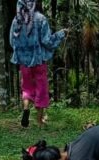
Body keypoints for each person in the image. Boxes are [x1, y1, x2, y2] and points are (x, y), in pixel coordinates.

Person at [9, 0, 66, 129]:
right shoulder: (40, 19)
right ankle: (39, 121)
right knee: (41, 88)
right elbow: (47, 41)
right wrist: (61, 34)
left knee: (27, 87)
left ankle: (25, 108)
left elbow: (12, 42)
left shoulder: (17, 20)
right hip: (39, 61)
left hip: (24, 62)